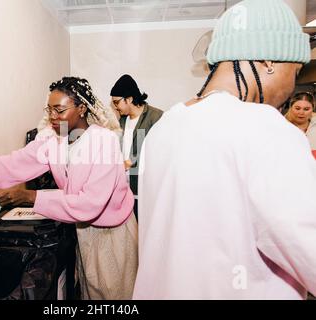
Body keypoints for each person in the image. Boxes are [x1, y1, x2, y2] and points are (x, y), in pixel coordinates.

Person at [134, 0, 316, 299]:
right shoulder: (268, 129)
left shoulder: (163, 128)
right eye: (294, 72)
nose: (290, 87)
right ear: (269, 60)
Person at [0, 77, 138, 300]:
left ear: (81, 108)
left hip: (112, 232)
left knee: (116, 294)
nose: (52, 117)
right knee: (92, 292)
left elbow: (90, 204)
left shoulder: (104, 142)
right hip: (83, 228)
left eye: (59, 110)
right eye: (49, 110)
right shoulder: (54, 140)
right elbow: (15, 163)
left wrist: (29, 196)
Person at [110, 74, 163, 218]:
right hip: (124, 191)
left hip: (146, 190)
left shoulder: (156, 118)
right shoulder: (121, 121)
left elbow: (162, 156)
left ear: (129, 99)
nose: (115, 107)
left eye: (116, 102)